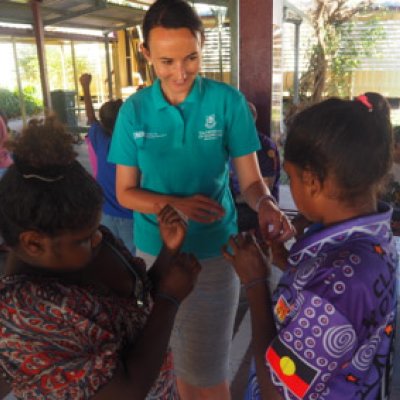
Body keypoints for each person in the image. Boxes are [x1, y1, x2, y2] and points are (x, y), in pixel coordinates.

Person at [108, 1, 294, 398]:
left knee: (207, 370)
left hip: (215, 251)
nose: (180, 73)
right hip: (155, 255)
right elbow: (126, 192)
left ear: (204, 44)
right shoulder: (134, 111)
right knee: (166, 364)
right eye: (166, 61)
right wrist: (172, 206)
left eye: (191, 57)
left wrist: (265, 204)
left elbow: (251, 182)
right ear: (145, 54)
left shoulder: (226, 102)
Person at [0, 117, 201, 399]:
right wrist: (170, 300)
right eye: (84, 238)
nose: (99, 238)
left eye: (96, 229)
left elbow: (139, 305)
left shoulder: (90, 243)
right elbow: (127, 391)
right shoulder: (22, 314)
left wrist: (168, 253)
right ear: (34, 243)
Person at [224, 93, 398, 399]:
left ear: (313, 181)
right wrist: (291, 266)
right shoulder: (376, 237)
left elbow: (277, 392)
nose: (289, 186)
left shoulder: (342, 280)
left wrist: (255, 283)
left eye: (290, 178)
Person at [79, 73, 135, 254]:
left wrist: (85, 87)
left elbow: (90, 116)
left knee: (111, 254)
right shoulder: (134, 146)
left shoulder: (99, 139)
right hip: (130, 215)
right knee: (135, 258)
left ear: (103, 123)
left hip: (106, 214)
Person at [230, 101, 281, 233]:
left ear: (251, 120)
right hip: (233, 204)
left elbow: (266, 188)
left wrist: (228, 199)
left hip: (255, 208)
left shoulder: (264, 147)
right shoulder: (230, 142)